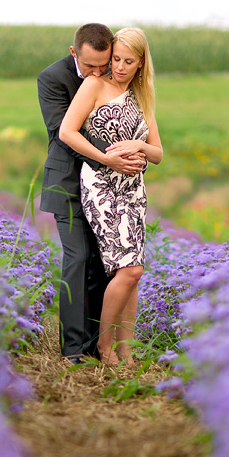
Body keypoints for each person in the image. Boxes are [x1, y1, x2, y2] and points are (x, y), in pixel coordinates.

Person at [38, 23, 146, 364]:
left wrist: (135, 154)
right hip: (68, 182)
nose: (98, 73)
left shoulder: (111, 75)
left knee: (106, 266)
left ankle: (98, 344)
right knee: (79, 257)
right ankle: (74, 351)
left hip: (110, 188)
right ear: (74, 53)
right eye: (90, 67)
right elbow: (61, 132)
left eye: (106, 64)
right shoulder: (52, 78)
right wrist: (112, 157)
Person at [58, 27, 163, 366]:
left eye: (127, 61)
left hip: (133, 190)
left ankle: (126, 349)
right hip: (101, 187)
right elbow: (67, 131)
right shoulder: (93, 85)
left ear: (140, 64)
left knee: (133, 272)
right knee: (128, 269)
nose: (118, 67)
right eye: (115, 59)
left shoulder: (142, 96)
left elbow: (158, 153)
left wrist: (139, 145)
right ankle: (104, 348)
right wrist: (106, 157)